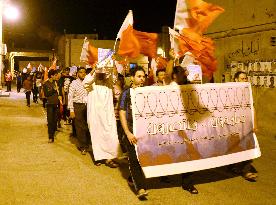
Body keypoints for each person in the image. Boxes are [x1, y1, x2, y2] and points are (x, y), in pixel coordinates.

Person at [119, 66, 149, 199]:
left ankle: (133, 178)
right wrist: (127, 132)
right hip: (132, 131)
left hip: (145, 132)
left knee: (143, 158)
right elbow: (122, 112)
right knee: (134, 159)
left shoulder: (148, 92)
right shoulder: (126, 93)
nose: (142, 79)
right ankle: (140, 188)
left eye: (143, 76)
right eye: (139, 76)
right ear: (132, 78)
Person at [83, 66, 121, 168]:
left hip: (108, 116)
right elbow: (85, 82)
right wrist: (94, 69)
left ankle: (109, 158)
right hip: (95, 116)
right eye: (99, 72)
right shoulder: (91, 85)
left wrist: (112, 65)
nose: (102, 75)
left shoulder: (108, 85)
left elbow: (114, 77)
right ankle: (98, 157)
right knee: (97, 136)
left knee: (110, 136)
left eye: (103, 73)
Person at [230, 71, 258, 182]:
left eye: (246, 78)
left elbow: (252, 108)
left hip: (246, 125)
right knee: (235, 147)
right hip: (234, 125)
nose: (245, 80)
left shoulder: (248, 92)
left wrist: (255, 124)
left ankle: (246, 171)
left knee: (248, 146)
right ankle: (234, 166)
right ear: (236, 80)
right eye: (242, 78)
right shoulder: (230, 92)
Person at [68, 67, 90, 155]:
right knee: (80, 127)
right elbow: (70, 97)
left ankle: (88, 143)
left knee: (88, 125)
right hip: (78, 106)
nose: (83, 74)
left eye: (84, 72)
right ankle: (83, 146)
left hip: (88, 105)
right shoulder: (74, 83)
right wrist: (71, 110)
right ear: (77, 74)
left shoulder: (89, 82)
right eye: (81, 72)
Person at [43, 70, 62, 143]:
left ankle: (53, 131)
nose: (57, 76)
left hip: (57, 104)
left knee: (55, 120)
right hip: (50, 104)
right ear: (51, 76)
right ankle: (51, 136)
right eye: (56, 75)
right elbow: (46, 94)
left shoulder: (57, 83)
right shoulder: (46, 84)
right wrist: (54, 90)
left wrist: (60, 96)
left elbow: (59, 92)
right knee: (50, 121)